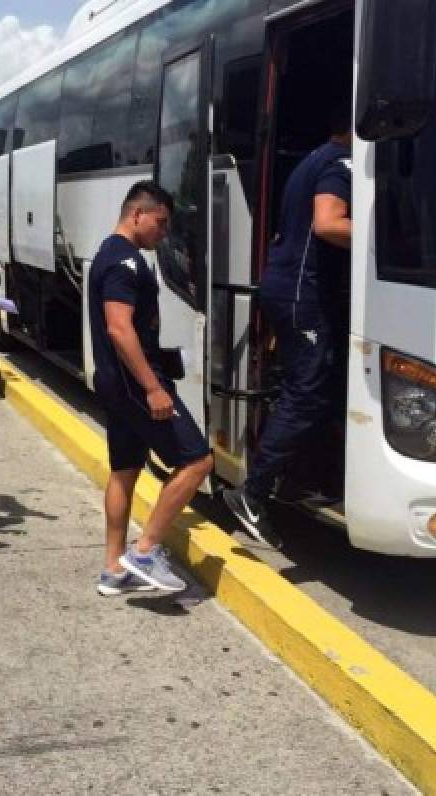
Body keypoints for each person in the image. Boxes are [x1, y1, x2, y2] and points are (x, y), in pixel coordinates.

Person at [222, 105, 353, 542]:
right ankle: (253, 493)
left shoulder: (312, 160)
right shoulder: (341, 164)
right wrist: (381, 231)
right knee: (306, 390)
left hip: (288, 285)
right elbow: (329, 223)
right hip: (303, 291)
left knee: (319, 382)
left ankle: (298, 478)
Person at [88, 181, 215, 596]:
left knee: (125, 470)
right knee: (197, 461)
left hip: (116, 384)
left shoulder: (109, 255)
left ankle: (113, 569)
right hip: (135, 386)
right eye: (160, 223)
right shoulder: (124, 262)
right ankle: (145, 551)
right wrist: (153, 388)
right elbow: (119, 328)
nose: (163, 233)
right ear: (136, 214)